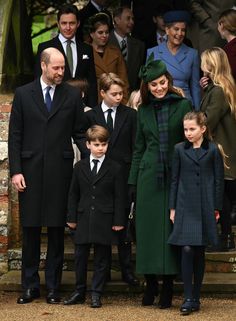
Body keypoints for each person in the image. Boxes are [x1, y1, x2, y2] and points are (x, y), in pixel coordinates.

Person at [8, 47, 85, 304]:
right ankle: (29, 287)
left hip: (60, 172)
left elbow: (81, 134)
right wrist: (16, 170)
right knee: (30, 231)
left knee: (55, 232)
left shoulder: (72, 96)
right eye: (56, 68)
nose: (61, 72)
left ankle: (53, 287)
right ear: (43, 66)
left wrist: (96, 161)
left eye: (63, 67)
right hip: (28, 172)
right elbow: (15, 136)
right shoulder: (22, 94)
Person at [128, 54, 192, 308]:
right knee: (147, 232)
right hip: (148, 176)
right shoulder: (142, 111)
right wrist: (133, 182)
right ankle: (151, 283)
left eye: (162, 82)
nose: (159, 88)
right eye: (153, 84)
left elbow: (189, 143)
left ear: (168, 80)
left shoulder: (183, 106)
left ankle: (167, 286)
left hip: (175, 176)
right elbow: (138, 148)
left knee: (169, 231)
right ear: (147, 87)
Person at [81, 72, 138, 287]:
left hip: (123, 175)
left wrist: (133, 179)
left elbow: (136, 147)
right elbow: (80, 134)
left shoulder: (130, 115)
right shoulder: (91, 115)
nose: (119, 97)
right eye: (114, 94)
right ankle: (101, 273)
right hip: (99, 177)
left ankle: (126, 269)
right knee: (101, 226)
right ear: (102, 92)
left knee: (123, 225)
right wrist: (88, 154)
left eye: (122, 93)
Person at [168, 111, 224, 315]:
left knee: (199, 251)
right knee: (187, 249)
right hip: (184, 205)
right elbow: (174, 179)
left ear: (203, 129)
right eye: (185, 129)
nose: (188, 133)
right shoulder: (179, 149)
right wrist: (172, 207)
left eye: (192, 129)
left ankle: (196, 297)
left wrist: (217, 207)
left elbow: (219, 181)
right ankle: (188, 296)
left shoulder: (213, 151)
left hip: (205, 206)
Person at [64, 125, 125, 308]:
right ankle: (79, 291)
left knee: (102, 258)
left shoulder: (115, 167)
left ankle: (97, 293)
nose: (100, 148)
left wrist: (119, 221)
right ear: (88, 144)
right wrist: (71, 217)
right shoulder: (79, 167)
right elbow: (73, 194)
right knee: (80, 257)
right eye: (96, 144)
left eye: (104, 144)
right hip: (83, 218)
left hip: (105, 219)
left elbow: (119, 196)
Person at [200, 47, 236, 251]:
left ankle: (225, 238)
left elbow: (208, 120)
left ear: (211, 65)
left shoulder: (218, 91)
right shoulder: (224, 86)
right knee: (224, 196)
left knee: (221, 196)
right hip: (227, 150)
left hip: (221, 151)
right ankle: (226, 237)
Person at [35, 4, 97, 107]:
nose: (68, 27)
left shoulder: (86, 49)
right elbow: (39, 80)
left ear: (78, 24)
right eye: (64, 23)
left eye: (72, 23)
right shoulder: (45, 47)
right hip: (55, 105)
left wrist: (92, 110)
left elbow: (92, 82)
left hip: (82, 107)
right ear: (58, 24)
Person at [147, 10, 201, 110]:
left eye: (183, 30)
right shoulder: (153, 53)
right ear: (167, 30)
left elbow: (195, 87)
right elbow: (148, 84)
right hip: (160, 105)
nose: (180, 33)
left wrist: (197, 112)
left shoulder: (192, 54)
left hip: (184, 104)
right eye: (176, 29)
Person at [88, 13, 129, 103]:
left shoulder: (115, 51)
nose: (104, 35)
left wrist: (124, 103)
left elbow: (123, 80)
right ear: (92, 34)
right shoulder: (85, 51)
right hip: (94, 101)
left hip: (115, 99)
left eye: (106, 32)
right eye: (100, 32)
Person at [109, 6, 145, 92]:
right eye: (128, 19)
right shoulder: (105, 41)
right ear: (117, 20)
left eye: (133, 19)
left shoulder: (139, 45)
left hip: (132, 96)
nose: (132, 22)